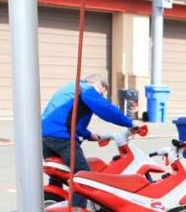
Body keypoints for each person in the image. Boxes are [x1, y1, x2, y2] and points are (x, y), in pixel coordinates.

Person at [41, 74, 136, 205]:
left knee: (59, 174)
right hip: (61, 137)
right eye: (101, 93)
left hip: (45, 136)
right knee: (83, 176)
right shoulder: (87, 89)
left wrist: (88, 134)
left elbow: (69, 117)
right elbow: (105, 109)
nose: (100, 97)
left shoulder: (71, 88)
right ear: (99, 85)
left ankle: (54, 204)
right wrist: (130, 123)